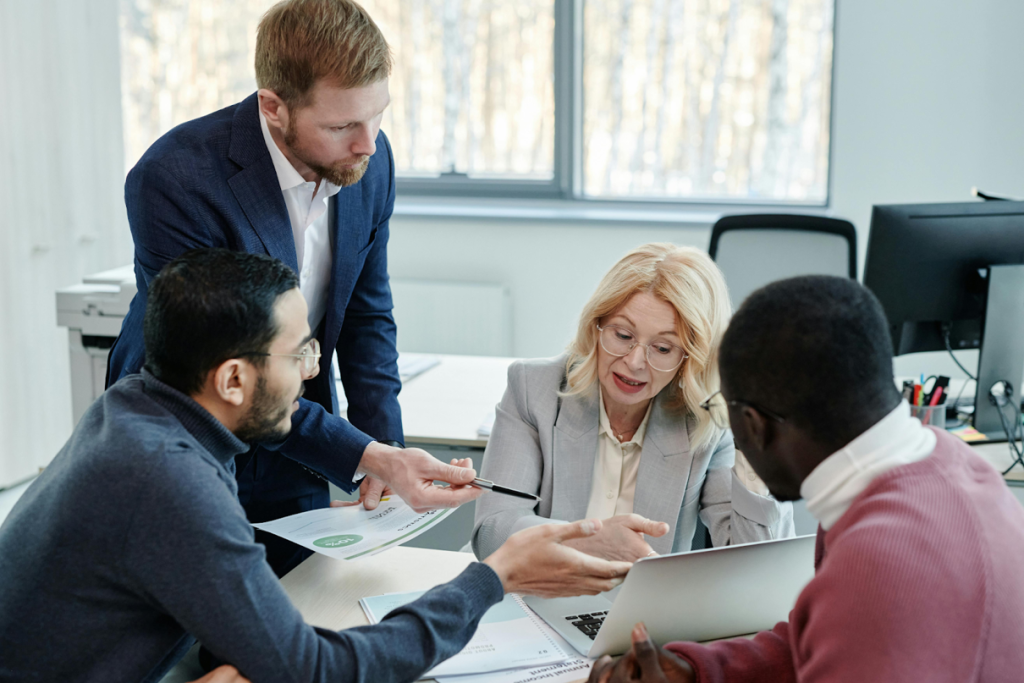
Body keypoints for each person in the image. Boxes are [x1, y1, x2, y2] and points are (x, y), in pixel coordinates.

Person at [0, 249, 634, 683]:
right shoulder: (170, 480)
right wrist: (493, 578)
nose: (310, 372)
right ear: (231, 378)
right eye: (298, 352)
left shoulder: (136, 406)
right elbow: (315, 671)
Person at [105, 0, 428, 575]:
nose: (368, 144)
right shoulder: (174, 181)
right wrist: (361, 453)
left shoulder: (367, 165)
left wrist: (385, 452)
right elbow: (226, 372)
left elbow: (366, 316)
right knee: (196, 645)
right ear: (273, 107)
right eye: (341, 126)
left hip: (298, 431)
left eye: (377, 115)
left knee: (298, 619)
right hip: (190, 441)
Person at [588, 276, 1024, 683]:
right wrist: (695, 669)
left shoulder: (878, 566)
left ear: (753, 425)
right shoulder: (942, 465)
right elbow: (816, 634)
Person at [473, 243, 793, 562]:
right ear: (596, 326)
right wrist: (590, 543)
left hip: (646, 609)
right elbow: (493, 531)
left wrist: (756, 443)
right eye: (623, 336)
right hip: (536, 599)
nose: (636, 362)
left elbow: (753, 559)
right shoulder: (533, 388)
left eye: (663, 348)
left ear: (690, 358)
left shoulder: (706, 422)